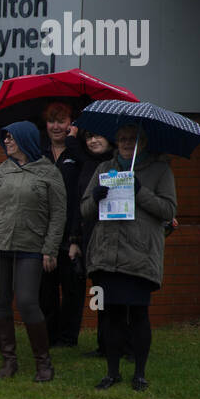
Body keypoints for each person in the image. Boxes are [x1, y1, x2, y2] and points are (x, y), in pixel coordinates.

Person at [0, 121, 67, 381]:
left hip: (31, 247)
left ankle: (43, 363)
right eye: (6, 138)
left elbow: (58, 215)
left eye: (11, 138)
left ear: (26, 140)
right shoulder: (2, 169)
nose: (7, 142)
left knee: (26, 301)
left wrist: (50, 249)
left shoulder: (48, 172)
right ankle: (9, 361)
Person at [80, 125, 177, 391]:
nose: (125, 143)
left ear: (143, 143)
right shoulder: (104, 169)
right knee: (110, 315)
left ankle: (140, 373)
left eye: (132, 139)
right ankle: (112, 372)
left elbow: (168, 210)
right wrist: (96, 198)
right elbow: (85, 209)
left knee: (137, 314)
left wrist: (139, 192)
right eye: (122, 139)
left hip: (139, 254)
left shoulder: (160, 171)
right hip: (106, 253)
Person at [39, 102, 85, 347]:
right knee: (45, 290)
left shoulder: (78, 153)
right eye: (51, 121)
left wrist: (74, 143)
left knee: (72, 290)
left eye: (62, 121)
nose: (56, 126)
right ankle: (50, 335)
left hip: (71, 232)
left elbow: (82, 191)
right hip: (43, 232)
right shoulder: (39, 152)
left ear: (71, 124)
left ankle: (68, 338)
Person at [72, 129, 114, 356]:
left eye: (98, 135)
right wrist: (75, 240)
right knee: (100, 294)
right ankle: (104, 344)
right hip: (92, 236)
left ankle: (124, 345)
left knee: (119, 295)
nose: (93, 140)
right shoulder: (88, 165)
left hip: (117, 237)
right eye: (88, 137)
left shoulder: (123, 165)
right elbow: (81, 205)